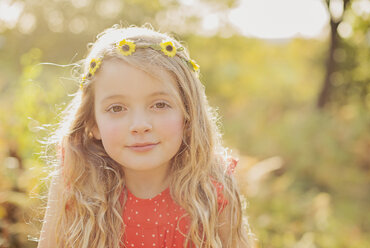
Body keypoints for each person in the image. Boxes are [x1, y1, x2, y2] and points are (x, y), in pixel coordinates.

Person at [37, 24, 253, 248]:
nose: (140, 126)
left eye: (159, 104)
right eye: (117, 108)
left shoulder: (212, 186)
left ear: (188, 114)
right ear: (93, 123)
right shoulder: (75, 180)